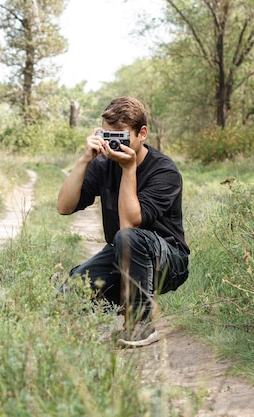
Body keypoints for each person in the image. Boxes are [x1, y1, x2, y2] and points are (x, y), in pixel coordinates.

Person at [56, 96, 189, 347]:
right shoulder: (104, 164)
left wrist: (128, 170)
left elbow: (129, 225)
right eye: (108, 136)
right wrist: (85, 159)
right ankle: (124, 301)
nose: (114, 144)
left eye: (121, 136)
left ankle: (140, 322)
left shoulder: (165, 172)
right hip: (122, 254)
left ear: (142, 134)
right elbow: (64, 207)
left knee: (127, 237)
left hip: (169, 261)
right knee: (68, 295)